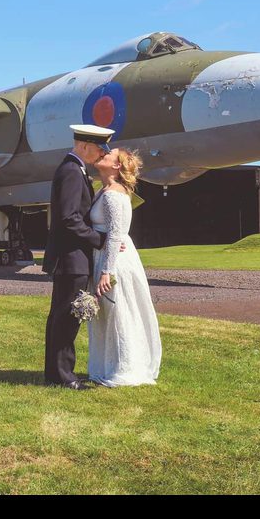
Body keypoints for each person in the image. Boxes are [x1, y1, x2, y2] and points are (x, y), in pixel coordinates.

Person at [42, 124, 114, 390]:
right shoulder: (72, 171)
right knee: (66, 318)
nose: (100, 155)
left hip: (71, 257)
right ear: (84, 146)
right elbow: (69, 218)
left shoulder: (73, 169)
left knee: (62, 317)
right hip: (72, 258)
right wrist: (100, 240)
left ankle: (57, 373)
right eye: (98, 149)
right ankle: (63, 376)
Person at [87, 147, 162, 387]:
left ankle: (125, 368)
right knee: (112, 313)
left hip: (114, 260)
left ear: (117, 166)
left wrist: (106, 272)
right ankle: (110, 364)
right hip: (108, 255)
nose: (103, 154)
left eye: (108, 155)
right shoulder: (106, 191)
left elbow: (115, 234)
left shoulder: (111, 195)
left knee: (118, 311)